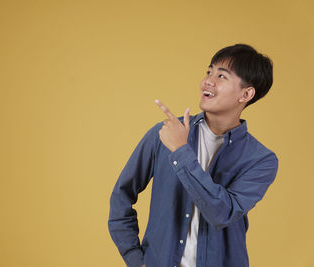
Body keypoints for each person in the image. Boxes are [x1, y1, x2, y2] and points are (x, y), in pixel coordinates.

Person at [108, 44, 278, 267]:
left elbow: (222, 212)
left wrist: (181, 152)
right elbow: (121, 195)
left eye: (221, 76)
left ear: (246, 94)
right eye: (209, 72)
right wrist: (135, 258)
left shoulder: (260, 160)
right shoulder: (165, 133)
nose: (208, 80)